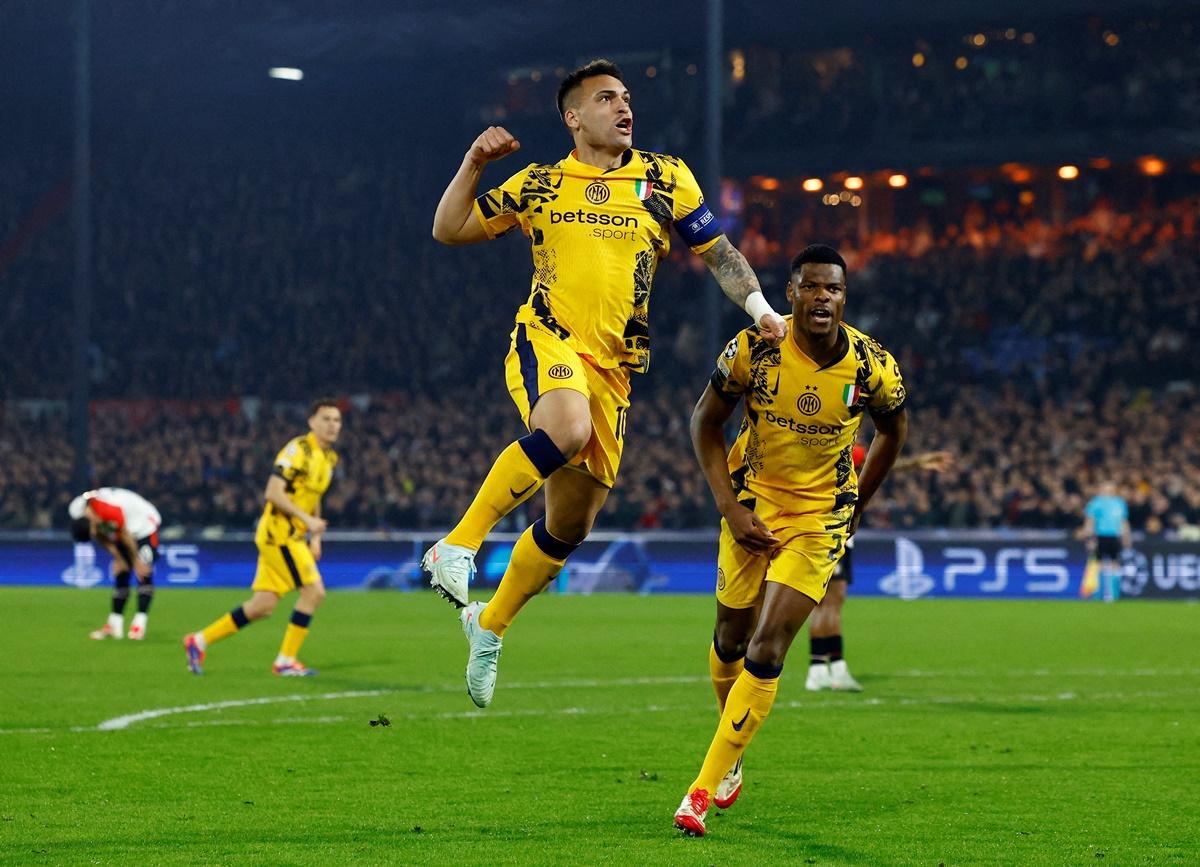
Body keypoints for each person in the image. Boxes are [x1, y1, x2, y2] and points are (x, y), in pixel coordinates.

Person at [424, 59, 788, 708]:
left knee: (570, 524)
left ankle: (489, 623)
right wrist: (473, 163)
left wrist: (761, 310)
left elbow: (720, 255)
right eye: (606, 99)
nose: (624, 108)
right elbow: (448, 229)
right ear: (573, 117)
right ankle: (456, 544)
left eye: (626, 98)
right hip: (548, 336)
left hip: (615, 370)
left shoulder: (665, 176)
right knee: (564, 428)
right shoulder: (539, 183)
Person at [673, 244, 907, 837]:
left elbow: (894, 428)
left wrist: (857, 505)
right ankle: (734, 748)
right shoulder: (756, 347)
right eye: (811, 287)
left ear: (843, 297)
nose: (822, 297)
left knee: (768, 648)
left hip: (819, 517)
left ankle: (700, 790)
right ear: (792, 292)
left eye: (833, 289)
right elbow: (704, 420)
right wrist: (728, 507)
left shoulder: (871, 364)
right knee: (730, 638)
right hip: (751, 502)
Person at [183, 399, 342, 676]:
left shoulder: (329, 458)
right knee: (314, 592)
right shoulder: (298, 451)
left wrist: (315, 537)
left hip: (294, 536)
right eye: (326, 419)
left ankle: (198, 641)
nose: (332, 425)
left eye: (337, 420)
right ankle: (285, 662)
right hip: (279, 535)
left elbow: (314, 497)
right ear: (311, 422)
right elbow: (273, 492)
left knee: (263, 606)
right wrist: (307, 522)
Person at [806, 447, 952, 691]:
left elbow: (879, 464)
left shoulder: (826, 449)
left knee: (826, 603)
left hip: (824, 531)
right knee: (832, 601)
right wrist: (916, 462)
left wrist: (917, 462)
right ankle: (831, 670)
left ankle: (820, 669)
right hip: (832, 533)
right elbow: (881, 462)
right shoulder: (842, 446)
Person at [68, 487, 162, 640]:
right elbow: (100, 534)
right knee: (121, 572)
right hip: (122, 528)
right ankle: (114, 626)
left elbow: (123, 532)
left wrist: (136, 561)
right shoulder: (76, 510)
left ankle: (139, 625)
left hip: (144, 524)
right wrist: (118, 558)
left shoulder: (108, 510)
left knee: (143, 572)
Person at [1077, 480, 1131, 602]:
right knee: (1098, 565)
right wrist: (1089, 538)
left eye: (1110, 489)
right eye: (1105, 489)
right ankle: (1098, 594)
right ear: (1101, 490)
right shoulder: (1095, 503)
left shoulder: (1120, 503)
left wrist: (1126, 537)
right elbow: (1090, 521)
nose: (1108, 491)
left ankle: (1114, 595)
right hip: (1100, 536)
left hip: (1115, 536)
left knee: (1115, 565)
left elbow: (1123, 522)